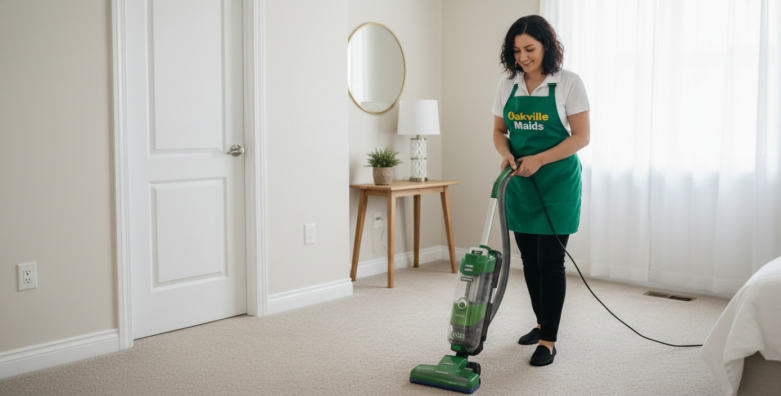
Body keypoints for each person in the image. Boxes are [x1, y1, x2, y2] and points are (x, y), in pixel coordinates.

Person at [492, 15, 590, 367]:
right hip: (522, 184)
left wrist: (539, 159)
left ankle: (548, 339)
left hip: (558, 184)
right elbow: (500, 131)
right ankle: (539, 322)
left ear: (547, 45)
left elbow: (581, 137)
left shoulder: (568, 83)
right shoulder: (508, 85)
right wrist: (506, 154)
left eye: (529, 49)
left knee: (551, 262)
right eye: (516, 51)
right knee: (530, 261)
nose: (523, 57)